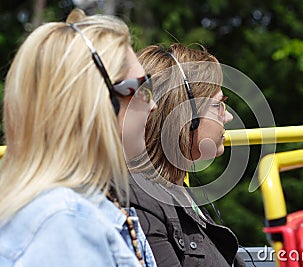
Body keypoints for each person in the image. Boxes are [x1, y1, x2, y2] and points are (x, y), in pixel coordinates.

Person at [0, 9, 157, 267]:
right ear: (97, 102)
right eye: (142, 88)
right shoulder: (66, 227)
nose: (153, 106)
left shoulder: (78, 210)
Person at [126, 43, 245, 266]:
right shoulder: (142, 202)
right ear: (186, 116)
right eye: (218, 104)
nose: (227, 117)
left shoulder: (177, 192)